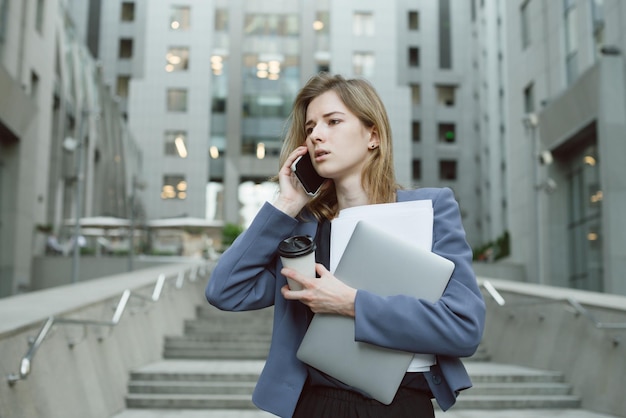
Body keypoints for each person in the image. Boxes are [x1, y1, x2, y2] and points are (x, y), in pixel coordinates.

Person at [205, 73, 486, 418]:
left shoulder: (431, 209)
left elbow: (464, 328)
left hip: (402, 406)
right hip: (317, 405)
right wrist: (286, 206)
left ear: (373, 135)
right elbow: (226, 290)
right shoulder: (307, 231)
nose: (317, 135)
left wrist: (351, 303)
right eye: (309, 128)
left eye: (333, 121)